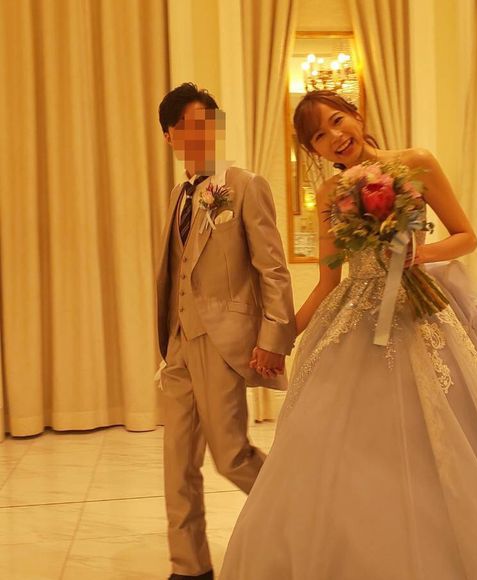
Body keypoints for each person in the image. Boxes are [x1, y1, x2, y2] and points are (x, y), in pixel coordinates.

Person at [219, 90, 477, 579]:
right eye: (319, 136)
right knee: (339, 445)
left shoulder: (415, 162)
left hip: (421, 316)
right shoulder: (328, 194)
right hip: (354, 320)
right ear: (313, 151)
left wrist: (419, 255)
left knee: (450, 437)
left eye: (337, 120)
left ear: (356, 115)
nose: (334, 136)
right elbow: (328, 281)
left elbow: (465, 236)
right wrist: (279, 340)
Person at [156, 83, 296, 580]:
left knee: (231, 456)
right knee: (177, 462)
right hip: (178, 344)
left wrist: (273, 338)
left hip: (222, 342)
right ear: (170, 136)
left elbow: (272, 269)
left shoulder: (245, 184)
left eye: (205, 125)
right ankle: (189, 568)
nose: (198, 136)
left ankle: (304, 518)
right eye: (186, 128)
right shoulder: (177, 194)